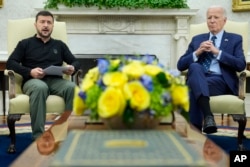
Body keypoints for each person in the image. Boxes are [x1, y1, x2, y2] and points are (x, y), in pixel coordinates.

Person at [6, 10, 81, 140]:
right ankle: (38, 137)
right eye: (42, 22)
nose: (45, 25)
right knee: (40, 88)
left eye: (49, 22)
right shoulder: (25, 43)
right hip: (33, 81)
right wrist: (30, 72)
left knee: (72, 88)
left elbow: (75, 61)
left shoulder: (59, 45)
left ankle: (66, 133)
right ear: (36, 25)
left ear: (52, 26)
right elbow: (10, 63)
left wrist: (72, 68)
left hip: (56, 81)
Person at [177, 6, 246, 134]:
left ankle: (194, 134)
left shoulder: (235, 39)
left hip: (220, 81)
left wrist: (217, 52)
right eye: (209, 18)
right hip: (200, 77)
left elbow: (240, 64)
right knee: (195, 67)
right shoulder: (198, 39)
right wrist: (197, 52)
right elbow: (180, 65)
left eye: (216, 17)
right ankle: (208, 117)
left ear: (224, 21)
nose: (212, 21)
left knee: (191, 88)